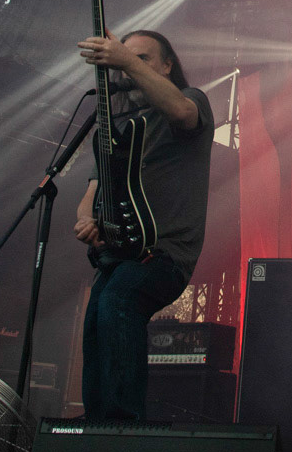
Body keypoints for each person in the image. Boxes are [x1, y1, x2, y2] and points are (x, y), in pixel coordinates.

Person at [74, 29, 214, 421]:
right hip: (123, 251)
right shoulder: (122, 125)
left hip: (166, 253)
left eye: (144, 58)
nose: (130, 65)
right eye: (127, 57)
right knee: (97, 314)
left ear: (168, 64)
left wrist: (125, 61)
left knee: (120, 297)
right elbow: (95, 187)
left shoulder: (190, 100)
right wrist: (88, 218)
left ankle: (122, 425)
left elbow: (184, 115)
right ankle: (96, 423)